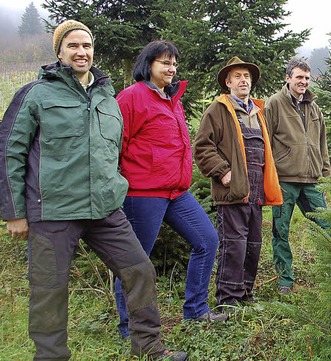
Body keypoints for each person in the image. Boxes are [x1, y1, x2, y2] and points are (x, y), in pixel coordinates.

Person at [0, 20, 186, 360]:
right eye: (72, 46)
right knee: (49, 291)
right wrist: (14, 212)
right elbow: (9, 151)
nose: (81, 51)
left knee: (139, 270)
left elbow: (114, 149)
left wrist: (117, 187)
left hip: (104, 209)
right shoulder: (35, 94)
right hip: (52, 211)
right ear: (59, 52)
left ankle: (148, 347)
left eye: (86, 45)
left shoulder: (107, 97)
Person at [114, 40, 226, 338]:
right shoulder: (131, 97)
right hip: (142, 193)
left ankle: (196, 310)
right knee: (135, 261)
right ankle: (130, 328)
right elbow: (115, 144)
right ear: (148, 65)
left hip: (176, 191)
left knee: (206, 240)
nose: (171, 68)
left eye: (174, 63)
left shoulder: (171, 98)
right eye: (165, 62)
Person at [194, 56, 282, 308]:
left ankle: (246, 295)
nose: (243, 80)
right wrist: (223, 172)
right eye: (237, 77)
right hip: (232, 187)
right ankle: (228, 300)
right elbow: (202, 146)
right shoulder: (218, 110)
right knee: (234, 245)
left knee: (253, 244)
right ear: (228, 83)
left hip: (256, 189)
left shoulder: (258, 111)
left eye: (246, 76)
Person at [265, 56, 331, 294]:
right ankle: (285, 280)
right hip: (284, 180)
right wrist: (269, 176)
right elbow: (266, 141)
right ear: (288, 78)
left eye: (306, 78)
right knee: (280, 230)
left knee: (327, 226)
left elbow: (322, 144)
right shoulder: (273, 104)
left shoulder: (314, 108)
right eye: (299, 77)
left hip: (311, 180)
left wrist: (326, 176)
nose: (303, 82)